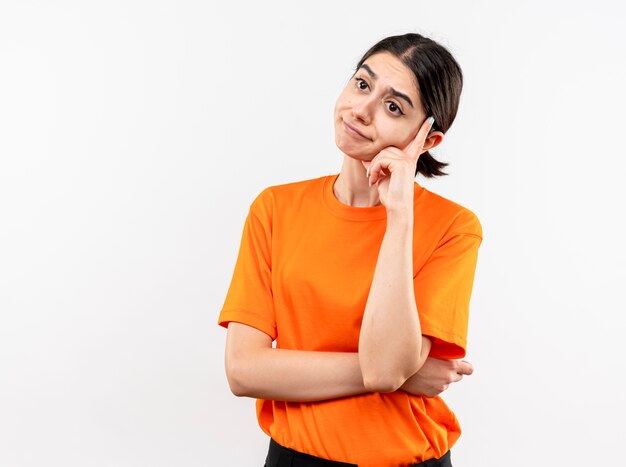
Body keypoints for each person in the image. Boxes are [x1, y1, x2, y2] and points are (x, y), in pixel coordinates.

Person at [217, 32, 483, 467]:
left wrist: (399, 216)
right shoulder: (276, 209)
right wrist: (405, 375)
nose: (361, 110)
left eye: (393, 106)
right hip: (294, 458)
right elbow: (244, 371)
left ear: (427, 139)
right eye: (362, 84)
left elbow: (384, 370)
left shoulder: (453, 228)